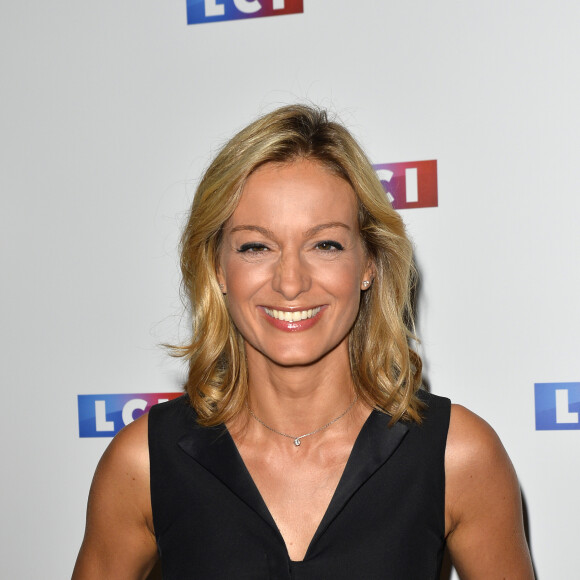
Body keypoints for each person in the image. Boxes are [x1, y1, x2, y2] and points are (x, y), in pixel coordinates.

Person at [72, 104, 534, 579]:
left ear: (369, 264)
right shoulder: (143, 464)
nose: (290, 282)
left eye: (325, 244)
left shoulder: (458, 456)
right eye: (256, 246)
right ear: (216, 268)